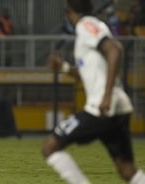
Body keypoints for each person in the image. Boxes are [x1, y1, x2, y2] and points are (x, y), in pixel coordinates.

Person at [42, 0, 145, 183]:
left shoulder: (86, 25)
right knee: (127, 170)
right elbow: (88, 74)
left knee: (50, 147)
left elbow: (115, 50)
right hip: (118, 105)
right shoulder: (91, 29)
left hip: (102, 106)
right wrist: (64, 67)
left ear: (69, 10)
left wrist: (105, 97)